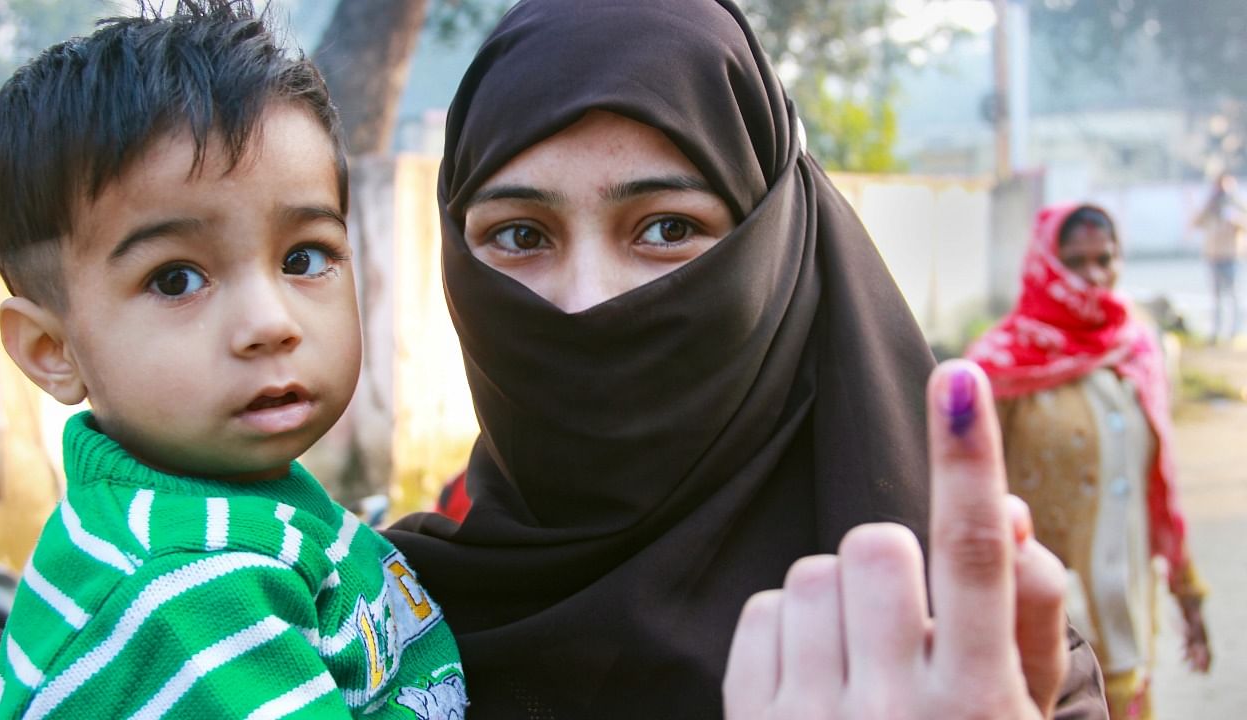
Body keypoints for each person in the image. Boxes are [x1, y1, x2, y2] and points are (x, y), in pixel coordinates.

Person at [384, 0, 1107, 717]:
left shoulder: (976, 659)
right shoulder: (358, 627)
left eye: (667, 227)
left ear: (778, 252)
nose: (586, 301)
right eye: (519, 236)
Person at [0, 2, 464, 717]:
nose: (270, 323)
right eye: (176, 279)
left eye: (304, 257)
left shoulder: (219, 504)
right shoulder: (190, 595)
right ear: (54, 350)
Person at [968, 204, 1211, 720]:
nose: (1094, 276)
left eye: (1105, 258)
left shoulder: (1135, 348)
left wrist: (1187, 592)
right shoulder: (997, 365)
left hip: (1127, 613)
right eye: (1075, 261)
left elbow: (1160, 485)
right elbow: (970, 498)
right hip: (1047, 628)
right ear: (1044, 265)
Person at [1196, 173, 1244, 344]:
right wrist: (1210, 205)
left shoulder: (1237, 206)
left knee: (1233, 297)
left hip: (1231, 257)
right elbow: (1196, 223)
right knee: (1216, 298)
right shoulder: (1211, 208)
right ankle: (1216, 332)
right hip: (1213, 257)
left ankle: (1234, 332)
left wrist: (1235, 218)